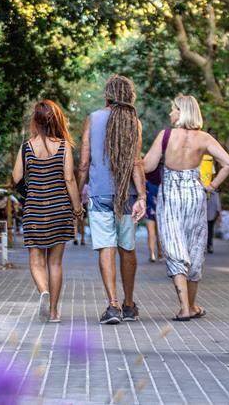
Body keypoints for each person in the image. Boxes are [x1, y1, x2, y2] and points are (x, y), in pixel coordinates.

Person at [143, 95, 229, 321]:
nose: (170, 113)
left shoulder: (165, 136)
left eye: (173, 109)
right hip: (195, 191)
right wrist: (211, 186)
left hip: (171, 192)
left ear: (182, 111)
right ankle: (191, 306)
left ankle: (185, 307)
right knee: (195, 246)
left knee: (174, 244)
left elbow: (148, 166)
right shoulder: (204, 138)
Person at [78, 75, 147, 325]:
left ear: (107, 94)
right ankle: (129, 305)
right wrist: (141, 195)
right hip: (126, 195)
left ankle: (113, 306)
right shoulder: (134, 122)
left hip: (99, 193)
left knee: (105, 246)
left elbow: (84, 161)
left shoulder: (93, 119)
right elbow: (137, 162)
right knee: (127, 247)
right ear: (129, 95)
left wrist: (77, 194)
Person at [11, 100, 83, 323]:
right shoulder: (63, 146)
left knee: (36, 260)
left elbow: (16, 178)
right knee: (55, 263)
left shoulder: (27, 146)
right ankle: (53, 312)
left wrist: (30, 192)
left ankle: (43, 291)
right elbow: (69, 179)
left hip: (34, 208)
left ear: (36, 120)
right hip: (60, 209)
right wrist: (77, 208)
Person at [145, 180, 161, 263]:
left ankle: (152, 254)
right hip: (161, 204)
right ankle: (160, 253)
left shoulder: (145, 169)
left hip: (149, 205)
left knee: (151, 232)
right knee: (160, 232)